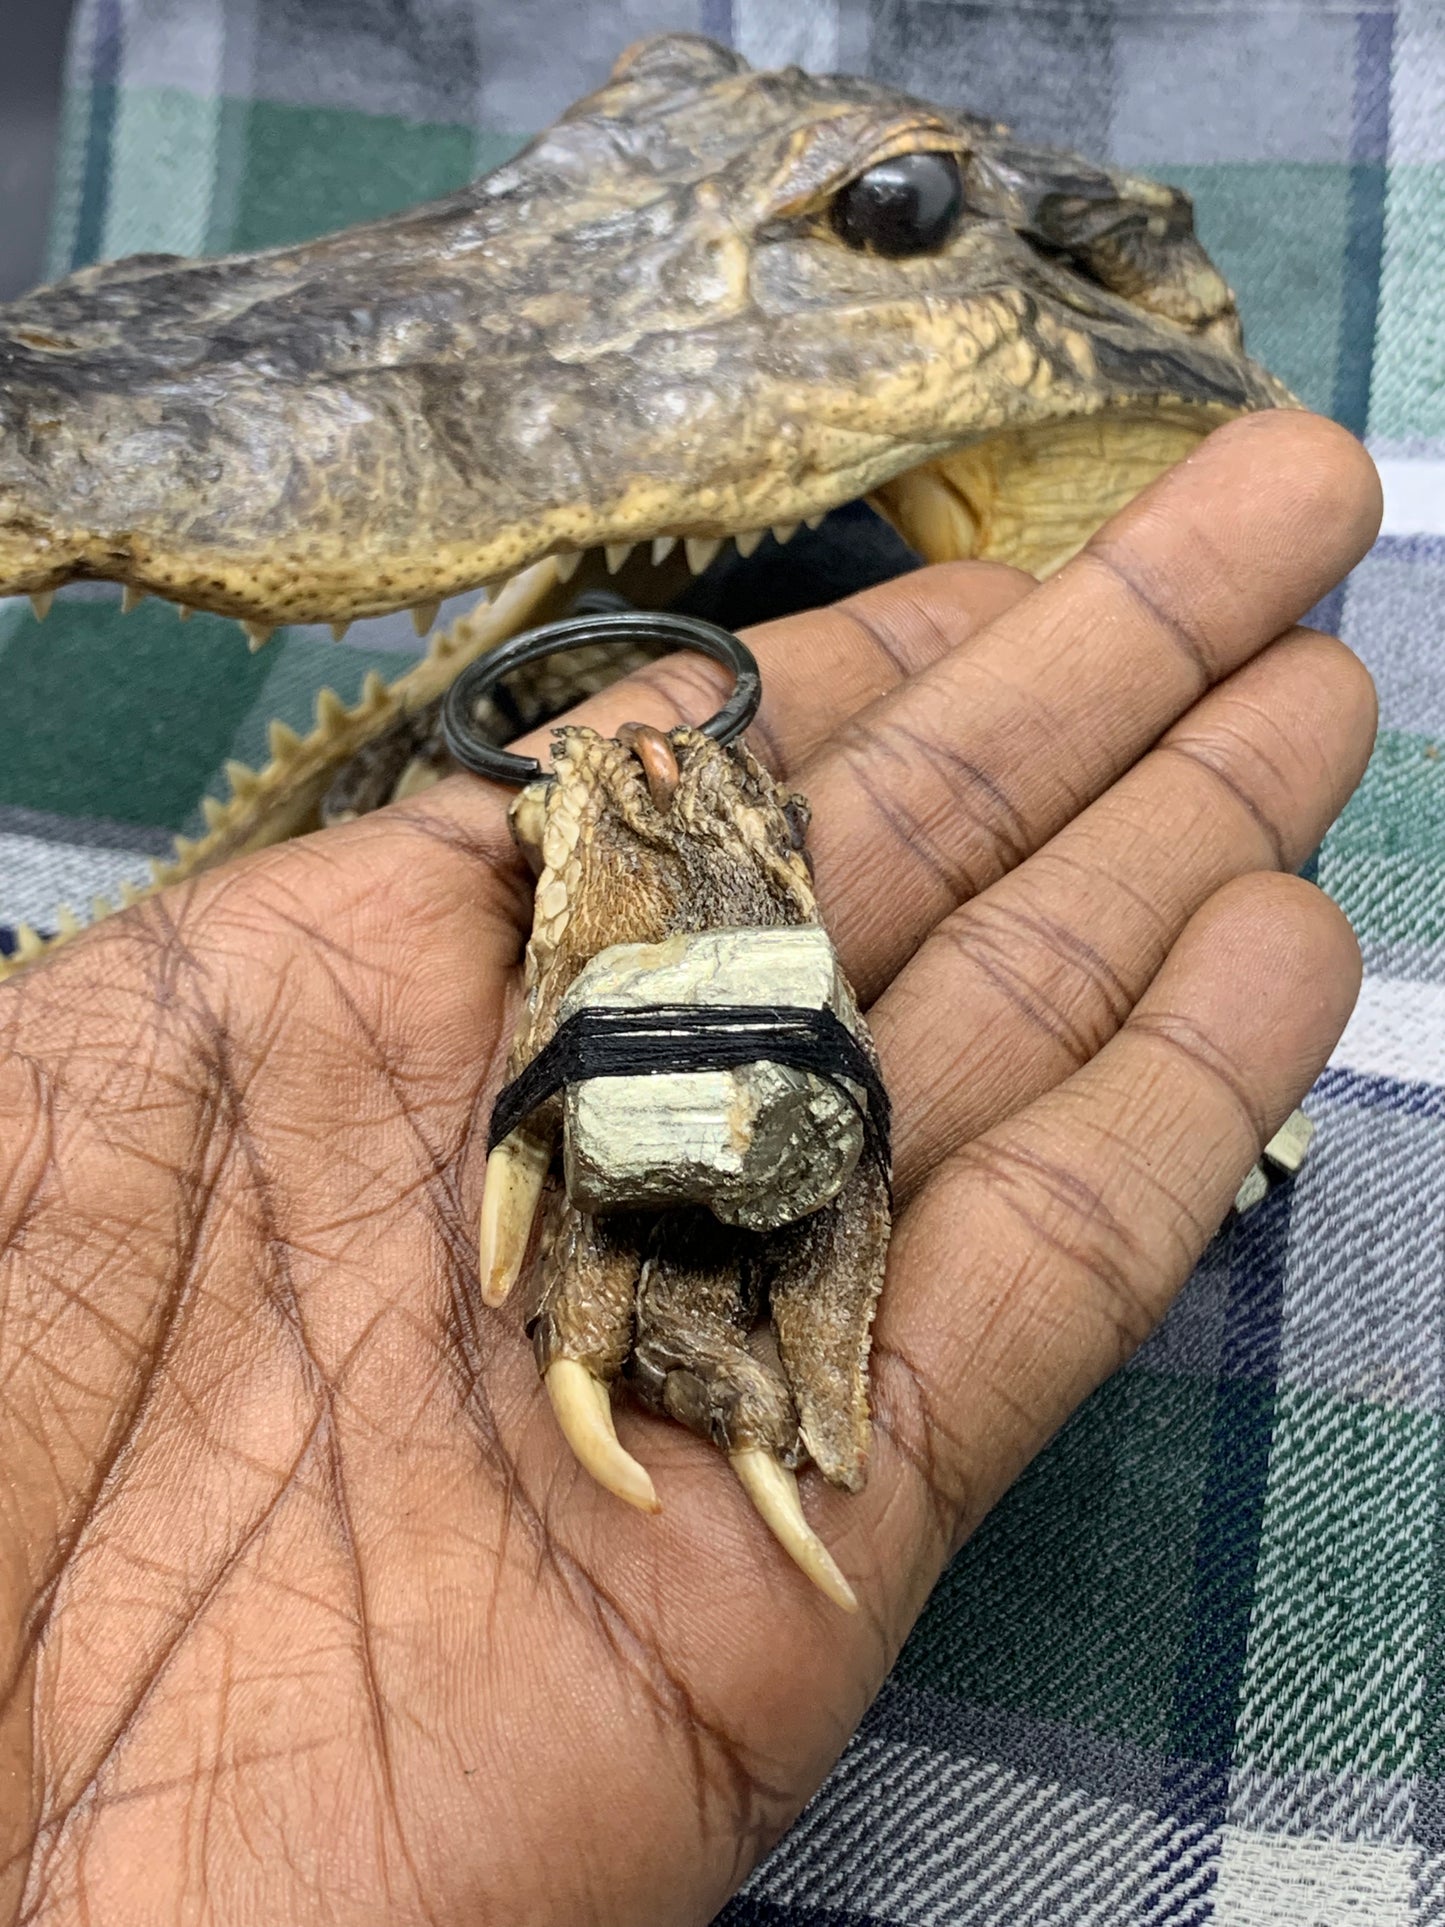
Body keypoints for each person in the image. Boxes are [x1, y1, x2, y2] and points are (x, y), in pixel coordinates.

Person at [0, 411, 1380, 1924]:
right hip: (643, 1039)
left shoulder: (744, 860)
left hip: (766, 1054)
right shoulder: (574, 880)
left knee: (850, 1167)